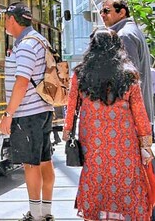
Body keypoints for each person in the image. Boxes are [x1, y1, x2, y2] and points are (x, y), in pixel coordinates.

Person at [63, 28, 153, 221]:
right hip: (124, 138)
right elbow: (139, 111)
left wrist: (68, 130)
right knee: (125, 176)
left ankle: (95, 213)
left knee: (95, 174)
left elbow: (71, 105)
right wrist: (145, 142)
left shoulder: (81, 73)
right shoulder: (129, 75)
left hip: (92, 136)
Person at [0, 3, 55, 221]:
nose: (4, 23)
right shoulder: (41, 40)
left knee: (30, 164)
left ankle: (35, 215)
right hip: (44, 109)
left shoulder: (25, 46)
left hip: (28, 112)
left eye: (6, 19)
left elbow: (22, 81)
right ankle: (46, 212)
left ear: (12, 20)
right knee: (44, 160)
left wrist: (9, 114)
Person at [101, 0, 153, 125]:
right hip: (137, 115)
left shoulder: (124, 35)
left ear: (122, 12)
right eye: (101, 11)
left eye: (107, 10)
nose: (102, 15)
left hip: (132, 117)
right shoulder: (130, 30)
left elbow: (129, 80)